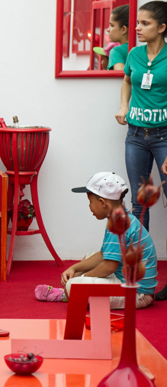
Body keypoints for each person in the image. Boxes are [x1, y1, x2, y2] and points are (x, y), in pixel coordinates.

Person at [35, 172, 157, 309]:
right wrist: (75, 268)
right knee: (89, 257)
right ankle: (76, 287)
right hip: (132, 285)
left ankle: (66, 294)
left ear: (102, 203)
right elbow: (103, 254)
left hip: (137, 294)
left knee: (74, 286)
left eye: (90, 202)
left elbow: (109, 267)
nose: (89, 206)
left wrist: (83, 277)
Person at [115, 1, 167, 232]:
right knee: (139, 203)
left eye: (145, 23)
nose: (137, 28)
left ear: (162, 27)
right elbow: (127, 80)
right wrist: (123, 106)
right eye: (137, 23)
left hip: (164, 137)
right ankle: (141, 260)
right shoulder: (134, 54)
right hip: (135, 136)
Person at [106, 5, 130, 71]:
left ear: (123, 29)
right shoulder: (141, 49)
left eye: (112, 25)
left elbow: (120, 76)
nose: (108, 29)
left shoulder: (116, 51)